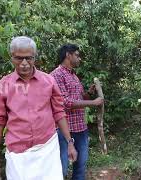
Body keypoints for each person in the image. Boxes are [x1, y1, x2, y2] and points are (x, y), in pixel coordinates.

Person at [0, 36, 77, 180]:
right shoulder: (2, 86)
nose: (24, 63)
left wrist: (69, 143)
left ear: (34, 58)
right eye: (19, 58)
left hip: (48, 149)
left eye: (29, 58)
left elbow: (59, 113)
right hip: (18, 155)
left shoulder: (49, 81)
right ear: (12, 58)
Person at [50, 44, 104, 179]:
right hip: (64, 130)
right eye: (77, 55)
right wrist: (93, 103)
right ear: (68, 55)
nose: (79, 59)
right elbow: (65, 102)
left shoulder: (74, 76)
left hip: (81, 128)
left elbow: (80, 98)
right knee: (61, 169)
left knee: (80, 167)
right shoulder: (56, 75)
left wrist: (89, 93)